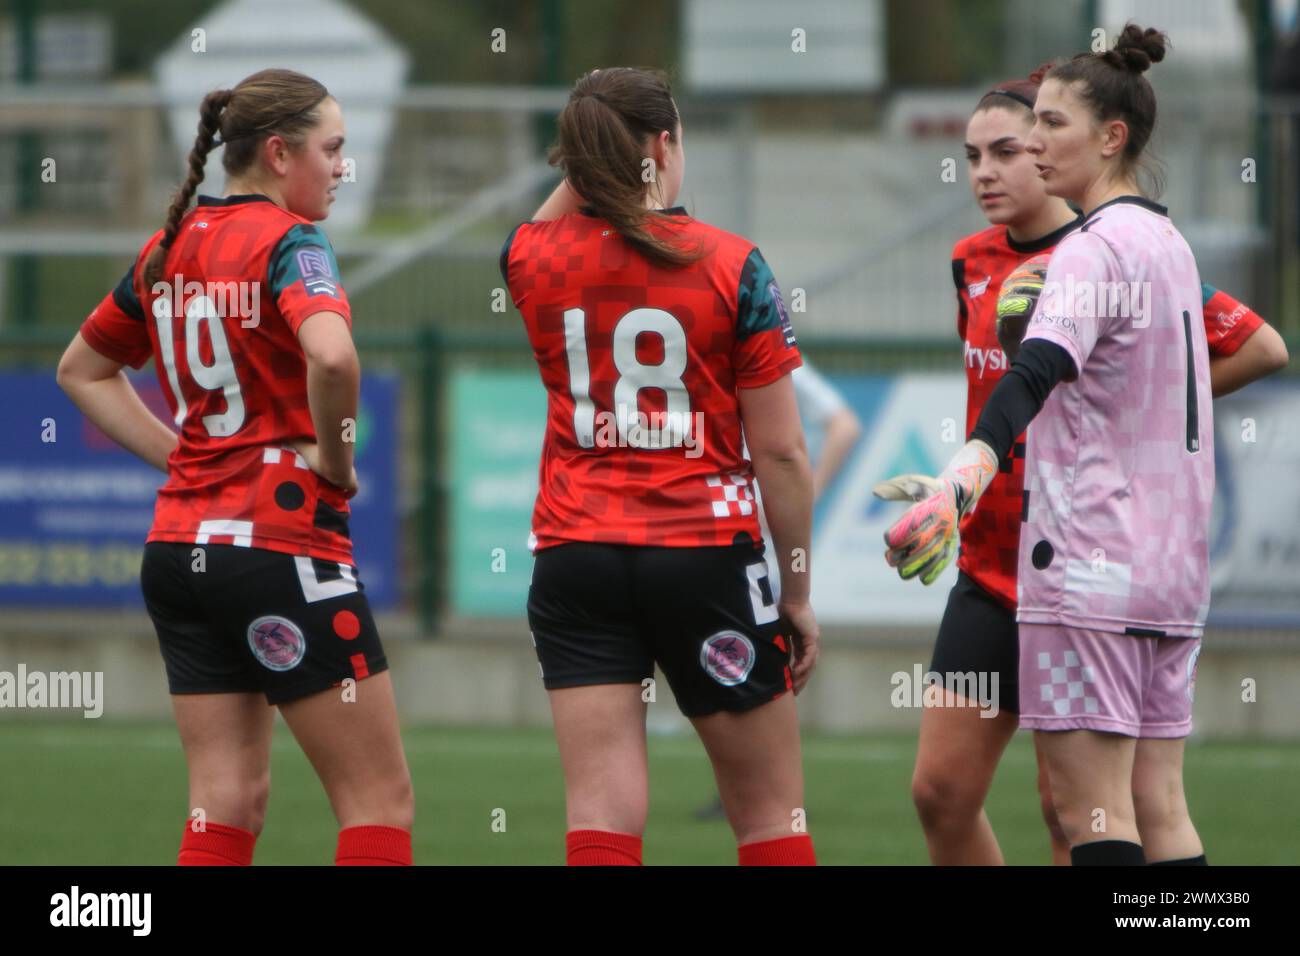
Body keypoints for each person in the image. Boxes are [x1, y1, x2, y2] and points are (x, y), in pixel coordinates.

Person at [879, 24, 1288, 865]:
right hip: (1156, 570)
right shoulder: (1162, 240)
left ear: (1111, 136)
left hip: (1082, 567)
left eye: (1042, 130)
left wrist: (963, 475)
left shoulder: (1090, 251)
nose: (1017, 154)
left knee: (1089, 816)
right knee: (1153, 809)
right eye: (983, 151)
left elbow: (1031, 375)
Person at [55, 69, 414, 866]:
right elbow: (333, 356)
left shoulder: (169, 245)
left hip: (180, 553)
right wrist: (338, 461)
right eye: (334, 149)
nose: (343, 167)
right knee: (377, 802)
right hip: (280, 544)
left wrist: (185, 458)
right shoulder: (289, 242)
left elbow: (80, 371)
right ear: (280, 154)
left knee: (225, 801)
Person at [501, 67, 820, 866]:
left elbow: (543, 226)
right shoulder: (732, 263)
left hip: (576, 558)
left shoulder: (532, 259)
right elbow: (780, 451)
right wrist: (799, 593)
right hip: (703, 556)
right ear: (666, 145)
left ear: (573, 160)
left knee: (601, 820)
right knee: (770, 819)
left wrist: (586, 152)